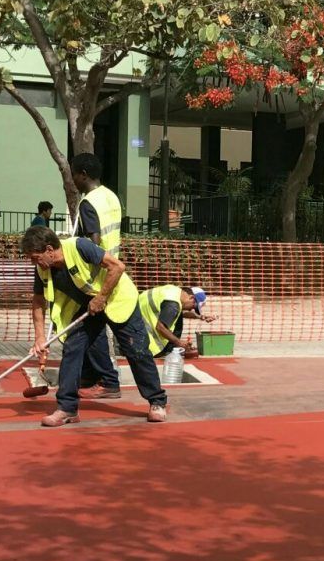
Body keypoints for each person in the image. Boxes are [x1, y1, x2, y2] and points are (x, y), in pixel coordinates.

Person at [23, 225, 169, 426]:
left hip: (117, 299)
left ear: (49, 249)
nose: (33, 262)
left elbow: (117, 266)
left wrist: (102, 297)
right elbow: (38, 302)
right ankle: (67, 409)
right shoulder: (42, 269)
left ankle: (157, 402)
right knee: (72, 350)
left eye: (34, 257)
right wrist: (40, 337)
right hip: (89, 306)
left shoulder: (80, 246)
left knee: (136, 351)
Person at [71, 153, 125, 400]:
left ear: (83, 173)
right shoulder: (111, 196)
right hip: (112, 269)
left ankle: (107, 380)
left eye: (74, 174)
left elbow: (93, 243)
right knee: (91, 327)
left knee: (90, 327)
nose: (73, 180)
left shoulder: (88, 202)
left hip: (96, 275)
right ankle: (91, 375)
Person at [138, 285, 217, 357]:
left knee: (178, 316)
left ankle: (171, 348)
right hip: (141, 337)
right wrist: (179, 342)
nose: (191, 309)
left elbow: (178, 312)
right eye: (193, 306)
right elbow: (160, 327)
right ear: (191, 298)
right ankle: (167, 350)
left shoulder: (173, 291)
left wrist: (201, 316)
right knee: (175, 322)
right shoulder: (173, 305)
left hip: (138, 317)